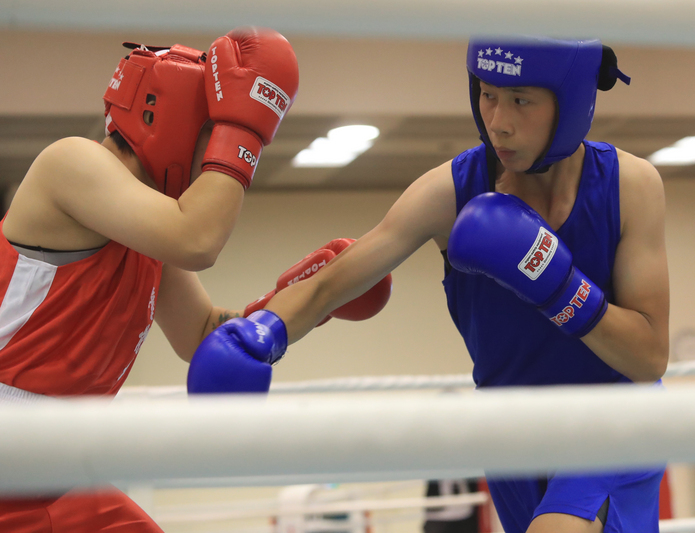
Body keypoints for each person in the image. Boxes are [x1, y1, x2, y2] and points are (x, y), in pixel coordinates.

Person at [211, 35, 671, 533]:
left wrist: (559, 289)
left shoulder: (631, 185)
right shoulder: (449, 193)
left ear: (573, 102)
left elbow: (648, 358)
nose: (498, 121)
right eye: (488, 95)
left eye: (520, 100)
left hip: (614, 415)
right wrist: (263, 333)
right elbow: (332, 284)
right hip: (510, 430)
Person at [0, 26, 302, 532]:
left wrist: (304, 295)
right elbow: (198, 239)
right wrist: (244, 130)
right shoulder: (71, 163)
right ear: (173, 121)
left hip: (57, 471)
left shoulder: (151, 229)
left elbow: (203, 333)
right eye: (214, 133)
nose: (214, 159)